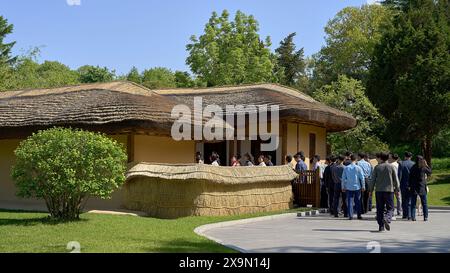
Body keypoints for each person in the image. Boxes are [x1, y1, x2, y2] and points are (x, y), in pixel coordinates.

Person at [368, 152, 400, 232]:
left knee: (380, 209)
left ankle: (381, 226)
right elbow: (396, 180)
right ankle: (387, 218)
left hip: (379, 191)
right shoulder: (391, 167)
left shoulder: (377, 167)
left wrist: (370, 190)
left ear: (381, 158)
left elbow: (372, 180)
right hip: (389, 190)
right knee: (390, 208)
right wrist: (397, 189)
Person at [342, 154, 365, 220]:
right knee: (358, 201)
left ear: (350, 159)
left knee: (349, 201)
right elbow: (362, 178)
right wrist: (363, 186)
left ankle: (350, 215)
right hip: (357, 186)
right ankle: (359, 215)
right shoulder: (358, 168)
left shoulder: (346, 168)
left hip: (349, 187)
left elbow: (343, 178)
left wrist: (343, 186)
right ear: (356, 159)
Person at [409, 155, 431, 221]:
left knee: (413, 203)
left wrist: (409, 186)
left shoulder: (413, 167)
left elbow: (410, 178)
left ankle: (413, 217)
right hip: (421, 187)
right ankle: (425, 217)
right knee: (424, 203)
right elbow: (430, 172)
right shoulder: (423, 167)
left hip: (414, 187)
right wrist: (426, 165)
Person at [400, 152, 414, 219]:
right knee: (411, 199)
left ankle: (405, 214)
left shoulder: (401, 163)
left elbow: (399, 175)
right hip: (412, 184)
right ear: (411, 157)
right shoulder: (414, 164)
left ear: (405, 156)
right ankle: (410, 214)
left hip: (403, 184)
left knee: (404, 199)